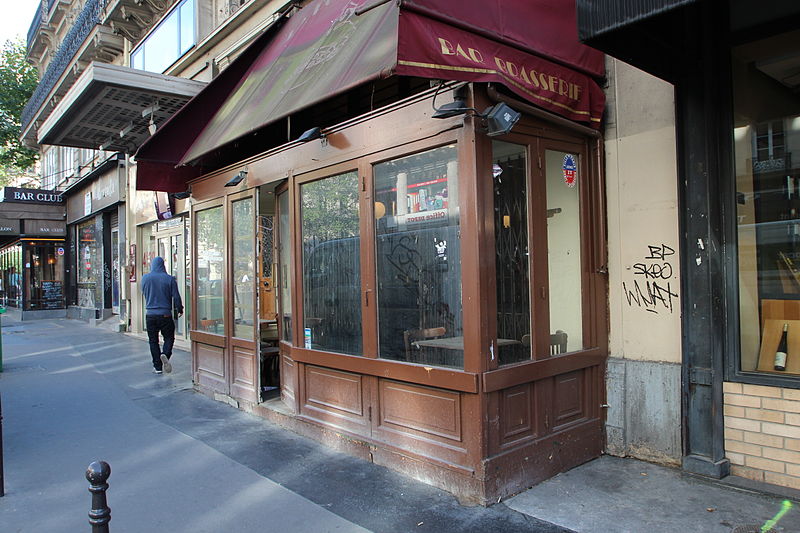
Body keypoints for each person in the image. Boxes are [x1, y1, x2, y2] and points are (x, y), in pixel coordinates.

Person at [141, 256, 183, 374]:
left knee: (153, 341)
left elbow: (144, 292)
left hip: (150, 315)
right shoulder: (169, 279)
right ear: (162, 265)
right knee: (169, 337)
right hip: (165, 314)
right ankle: (165, 354)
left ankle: (157, 367)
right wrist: (179, 309)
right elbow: (176, 296)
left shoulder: (145, 278)